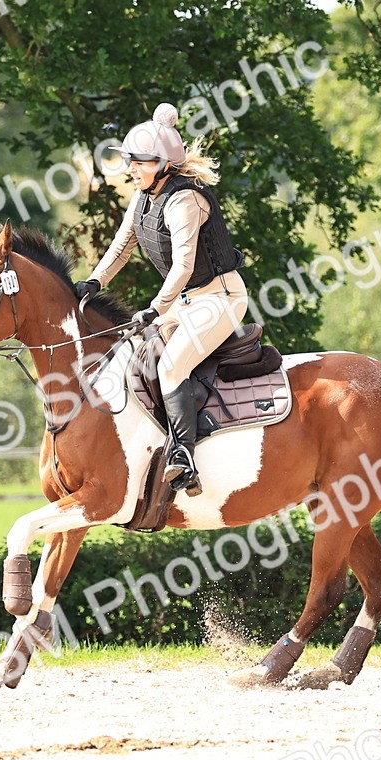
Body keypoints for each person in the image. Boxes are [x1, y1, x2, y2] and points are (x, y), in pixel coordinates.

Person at [73, 103, 250, 497]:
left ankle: (184, 457)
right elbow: (122, 245)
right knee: (133, 359)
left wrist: (156, 307)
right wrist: (94, 281)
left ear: (164, 164)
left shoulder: (185, 200)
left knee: (170, 368)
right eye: (131, 161)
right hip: (183, 302)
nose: (132, 169)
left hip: (220, 297)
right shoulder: (143, 197)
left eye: (140, 162)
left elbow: (184, 265)